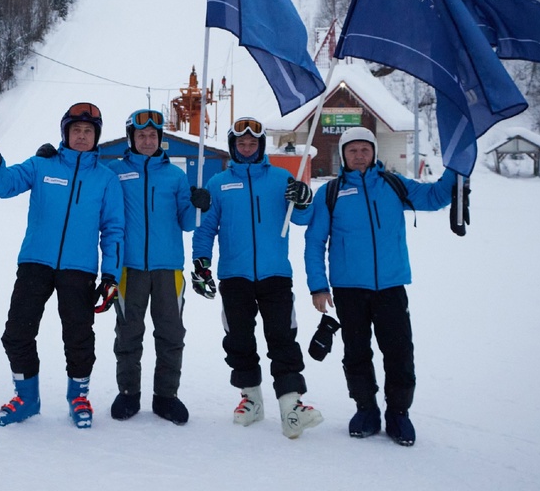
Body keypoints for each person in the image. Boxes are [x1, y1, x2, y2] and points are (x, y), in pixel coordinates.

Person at [303, 126, 459, 447]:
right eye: (352, 151)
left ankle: (398, 413)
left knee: (399, 352)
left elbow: (434, 197)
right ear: (343, 155)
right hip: (349, 289)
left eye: (364, 150)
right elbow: (314, 241)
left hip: (390, 285)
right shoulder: (330, 193)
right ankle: (366, 410)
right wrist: (318, 286)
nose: (359, 156)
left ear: (374, 152)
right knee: (356, 352)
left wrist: (456, 170)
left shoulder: (393, 184)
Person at [0, 102, 124, 429]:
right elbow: (4, 185)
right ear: (65, 134)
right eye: (76, 130)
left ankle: (78, 396)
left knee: (79, 337)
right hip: (35, 263)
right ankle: (27, 398)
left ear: (96, 136)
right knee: (16, 333)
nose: (82, 136)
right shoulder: (42, 165)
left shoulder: (106, 180)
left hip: (80, 269)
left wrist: (111, 274)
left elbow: (113, 230)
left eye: (88, 131)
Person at [191, 116, 323, 439]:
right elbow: (206, 228)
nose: (246, 147)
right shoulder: (219, 184)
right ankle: (251, 400)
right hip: (234, 276)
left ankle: (291, 404)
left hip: (275, 274)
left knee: (282, 337)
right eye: (241, 143)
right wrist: (201, 261)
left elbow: (303, 217)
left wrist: (304, 199)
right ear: (234, 146)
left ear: (261, 145)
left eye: (252, 143)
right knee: (239, 339)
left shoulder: (281, 178)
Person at [106, 109, 210, 425]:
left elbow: (187, 223)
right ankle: (128, 394)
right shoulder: (115, 172)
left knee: (170, 333)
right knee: (128, 333)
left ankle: (166, 396)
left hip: (168, 268)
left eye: (153, 136)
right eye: (141, 136)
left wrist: (197, 206)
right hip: (129, 268)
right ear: (131, 139)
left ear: (160, 139)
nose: (148, 140)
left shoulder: (175, 176)